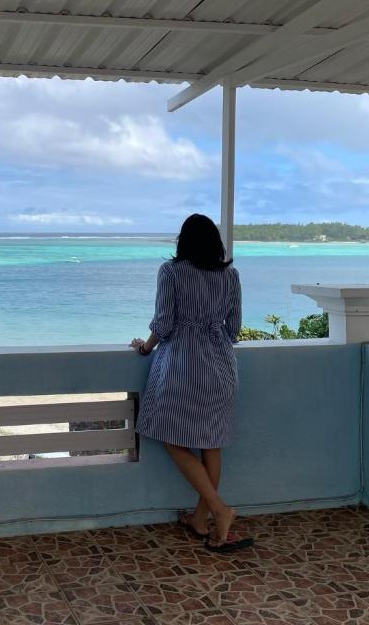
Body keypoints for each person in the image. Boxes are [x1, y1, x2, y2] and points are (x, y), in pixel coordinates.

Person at [131, 213, 252, 553]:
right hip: (222, 366)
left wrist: (145, 347)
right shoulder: (231, 275)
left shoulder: (171, 271)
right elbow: (233, 328)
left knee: (170, 437)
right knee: (211, 444)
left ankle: (218, 510)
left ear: (183, 241)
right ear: (216, 242)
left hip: (183, 365)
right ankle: (201, 520)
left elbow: (164, 323)